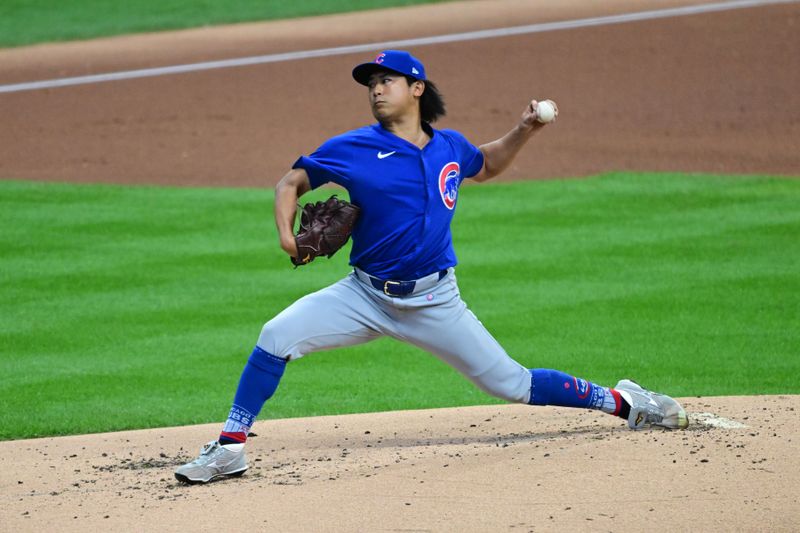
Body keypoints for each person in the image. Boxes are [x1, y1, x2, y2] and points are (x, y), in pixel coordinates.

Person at [175, 50, 688, 484]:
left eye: (386, 81)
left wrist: (525, 129)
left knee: (512, 384)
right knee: (275, 335)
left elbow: (484, 164)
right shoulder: (352, 148)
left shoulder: (448, 148)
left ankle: (622, 401)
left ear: (416, 88)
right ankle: (229, 447)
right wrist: (288, 237)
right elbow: (290, 183)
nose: (376, 90)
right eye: (371, 84)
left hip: (434, 300)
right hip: (364, 296)